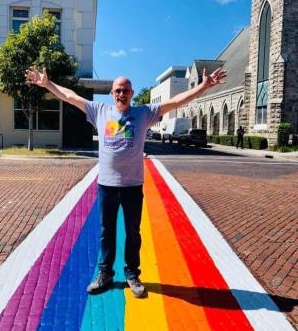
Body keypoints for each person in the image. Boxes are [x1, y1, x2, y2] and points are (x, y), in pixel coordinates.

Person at [26, 66, 226, 298]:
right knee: (106, 232)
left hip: (132, 186)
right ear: (112, 94)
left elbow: (176, 102)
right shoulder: (99, 111)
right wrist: (48, 85)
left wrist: (204, 86)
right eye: (118, 90)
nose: (122, 94)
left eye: (126, 91)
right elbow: (71, 97)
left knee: (133, 232)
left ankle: (132, 274)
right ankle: (105, 274)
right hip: (107, 186)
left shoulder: (143, 113)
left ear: (132, 94)